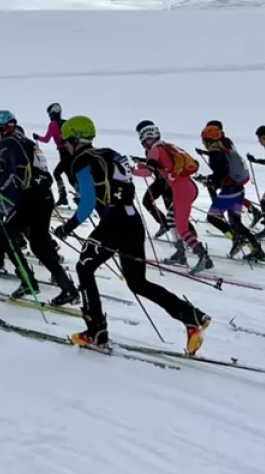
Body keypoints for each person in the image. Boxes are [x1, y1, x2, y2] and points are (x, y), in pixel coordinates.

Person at [53, 116, 212, 354]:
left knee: (84, 267)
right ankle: (192, 317)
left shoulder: (81, 160)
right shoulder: (111, 153)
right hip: (132, 221)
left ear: (75, 139)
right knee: (138, 282)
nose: (65, 145)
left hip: (114, 223)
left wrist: (67, 227)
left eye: (66, 141)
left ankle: (95, 330)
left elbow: (86, 204)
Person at [0, 111, 80, 305]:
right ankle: (68, 288)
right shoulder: (27, 141)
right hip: (44, 196)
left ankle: (28, 281)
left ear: (1, 128)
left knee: (6, 237)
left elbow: (17, 173)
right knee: (39, 245)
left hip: (29, 198)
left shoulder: (8, 143)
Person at [132, 121, 210, 270]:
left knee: (181, 228)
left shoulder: (154, 150)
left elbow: (148, 172)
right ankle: (180, 255)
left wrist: (130, 171)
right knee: (171, 220)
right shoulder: (164, 146)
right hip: (188, 187)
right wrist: (143, 166)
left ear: (144, 137)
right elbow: (161, 168)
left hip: (182, 191)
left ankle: (203, 256)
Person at [199, 123, 265, 268]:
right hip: (238, 189)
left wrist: (207, 180)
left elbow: (220, 174)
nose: (203, 143)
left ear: (208, 140)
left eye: (204, 140)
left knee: (212, 217)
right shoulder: (224, 149)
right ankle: (257, 249)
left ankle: (236, 238)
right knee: (236, 222)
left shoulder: (216, 153)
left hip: (230, 190)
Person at [36, 103, 74, 206]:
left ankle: (64, 196)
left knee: (59, 173)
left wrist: (37, 137)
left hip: (63, 153)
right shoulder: (66, 123)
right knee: (70, 174)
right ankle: (66, 196)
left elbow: (46, 139)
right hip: (72, 152)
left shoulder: (53, 124)